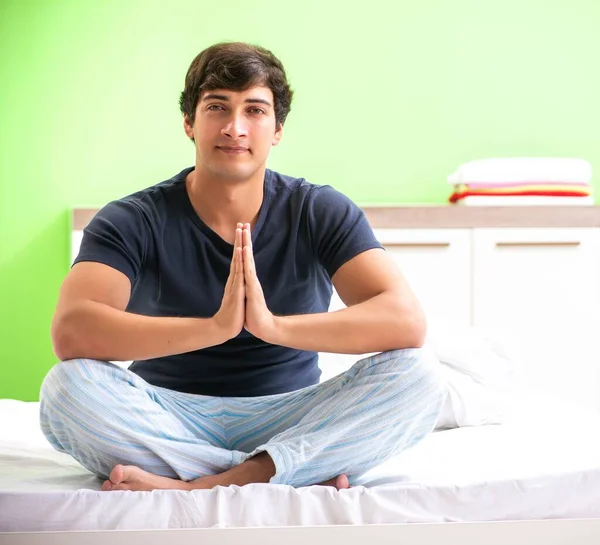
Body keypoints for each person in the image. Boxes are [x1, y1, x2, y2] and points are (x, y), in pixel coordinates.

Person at [39, 42, 445, 492]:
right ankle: (280, 471)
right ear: (190, 123)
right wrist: (216, 326)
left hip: (290, 412)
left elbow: (405, 322)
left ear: (277, 130)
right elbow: (72, 331)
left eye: (254, 110)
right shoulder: (132, 218)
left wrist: (270, 326)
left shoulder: (319, 209)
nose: (235, 127)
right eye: (217, 107)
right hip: (171, 414)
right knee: (65, 388)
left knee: (420, 376)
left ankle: (202, 480)